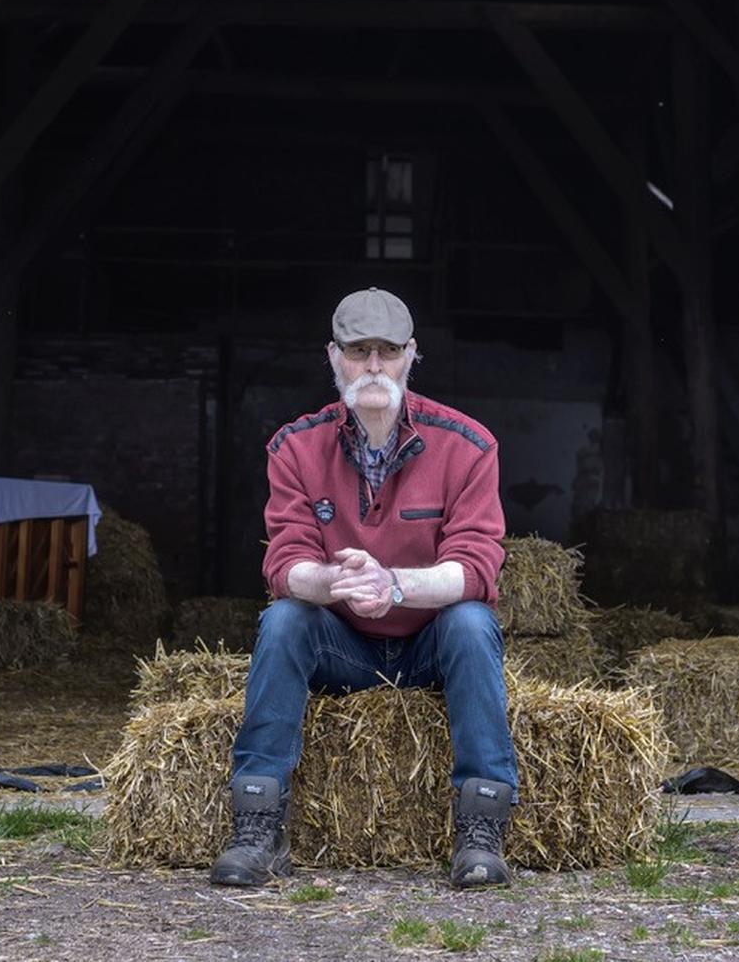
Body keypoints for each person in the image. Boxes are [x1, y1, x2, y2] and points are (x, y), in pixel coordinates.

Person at [212, 287, 516, 889]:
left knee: (472, 620)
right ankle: (256, 827)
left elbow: (478, 566)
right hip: (343, 645)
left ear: (410, 355)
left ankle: (481, 829)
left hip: (429, 644)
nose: (372, 366)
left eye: (386, 351)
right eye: (358, 351)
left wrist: (393, 584)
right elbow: (285, 564)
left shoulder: (468, 445)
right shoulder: (295, 447)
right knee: (283, 620)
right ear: (333, 356)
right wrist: (336, 581)